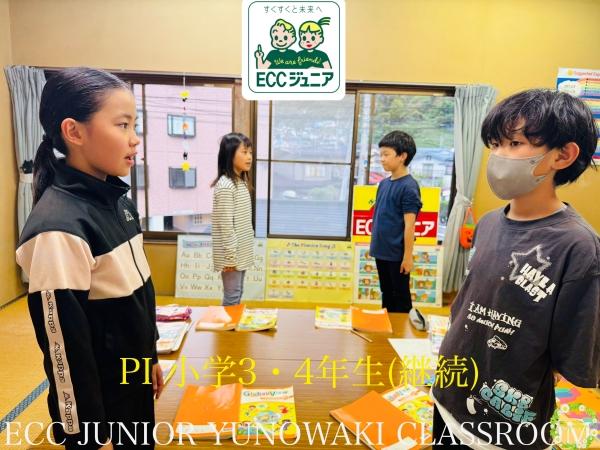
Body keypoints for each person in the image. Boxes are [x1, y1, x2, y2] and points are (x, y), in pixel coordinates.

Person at [431, 89, 600, 449]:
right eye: (495, 144)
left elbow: (574, 357)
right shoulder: (489, 222)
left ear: (563, 155)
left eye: (514, 143)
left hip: (507, 426)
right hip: (447, 396)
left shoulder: (578, 245)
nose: (498, 156)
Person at [15, 67, 162, 449]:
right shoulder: (58, 229)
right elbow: (64, 353)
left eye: (134, 125)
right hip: (101, 412)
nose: (135, 139)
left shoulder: (118, 202)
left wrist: (150, 357)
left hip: (133, 382)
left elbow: (139, 294)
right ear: (74, 132)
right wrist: (88, 437)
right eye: (123, 125)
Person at [369, 130, 422, 313]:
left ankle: (402, 329)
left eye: (386, 154)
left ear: (402, 156)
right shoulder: (384, 184)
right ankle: (388, 327)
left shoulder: (409, 187)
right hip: (381, 251)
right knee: (387, 293)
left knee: (400, 298)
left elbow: (409, 226)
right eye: (380, 155)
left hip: (397, 254)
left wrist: (407, 257)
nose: (381, 159)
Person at [211, 132, 255, 306]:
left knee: (237, 293)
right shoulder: (225, 186)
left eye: (250, 152)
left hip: (240, 252)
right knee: (232, 296)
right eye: (244, 152)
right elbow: (226, 225)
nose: (249, 157)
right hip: (232, 255)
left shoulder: (240, 182)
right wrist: (230, 257)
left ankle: (232, 322)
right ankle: (227, 324)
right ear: (230, 155)